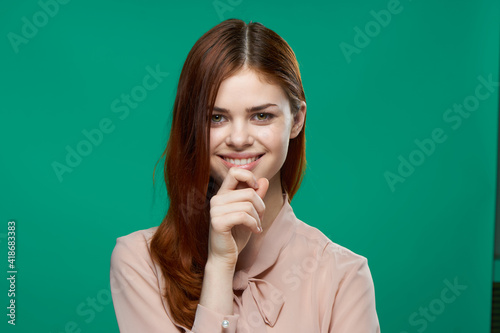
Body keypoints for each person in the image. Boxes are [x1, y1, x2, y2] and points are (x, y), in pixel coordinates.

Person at [109, 18, 380, 333]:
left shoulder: (343, 277)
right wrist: (221, 267)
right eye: (216, 117)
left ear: (296, 120)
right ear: (192, 126)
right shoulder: (139, 263)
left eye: (261, 115)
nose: (238, 139)